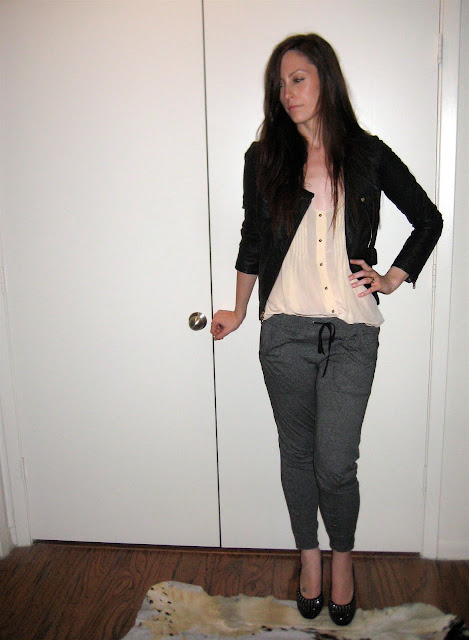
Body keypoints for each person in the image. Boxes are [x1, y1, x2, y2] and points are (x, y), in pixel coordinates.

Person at [210, 34, 443, 626]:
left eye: (298, 79)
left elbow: (428, 219)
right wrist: (238, 309)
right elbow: (253, 238)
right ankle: (308, 559)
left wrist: (392, 277)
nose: (287, 93)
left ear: (325, 79)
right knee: (296, 456)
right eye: (279, 84)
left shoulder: (367, 154)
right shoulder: (264, 158)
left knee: (336, 462)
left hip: (352, 333)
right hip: (284, 331)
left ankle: (343, 559)